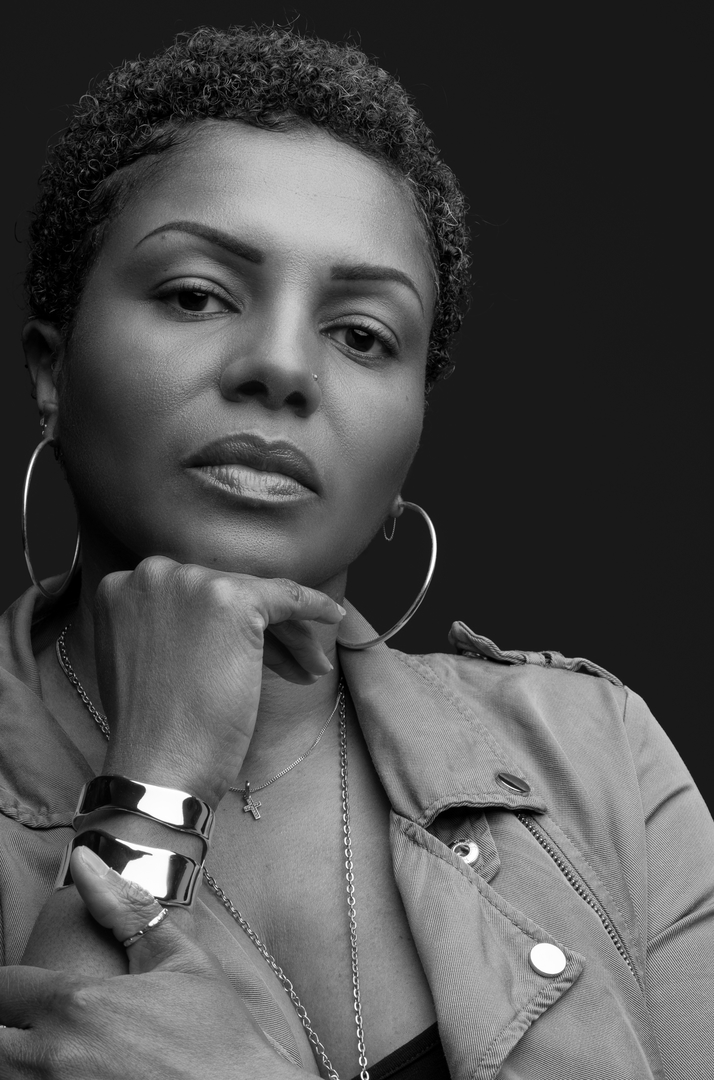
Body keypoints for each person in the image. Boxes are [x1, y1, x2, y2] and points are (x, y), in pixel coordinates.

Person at [0, 24, 711, 1080]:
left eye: (362, 335)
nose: (283, 367)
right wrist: (156, 775)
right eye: (195, 294)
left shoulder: (599, 759)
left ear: (410, 435)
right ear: (51, 372)